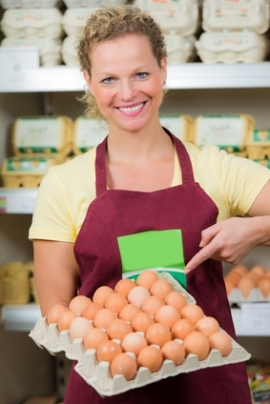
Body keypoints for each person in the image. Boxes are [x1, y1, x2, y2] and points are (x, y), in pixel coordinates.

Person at [29, 5, 270, 404]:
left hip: (206, 387)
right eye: (109, 79)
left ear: (162, 68)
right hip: (106, 387)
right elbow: (57, 315)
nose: (127, 93)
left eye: (141, 73)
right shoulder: (63, 184)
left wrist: (257, 229)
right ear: (88, 81)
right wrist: (130, 336)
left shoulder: (214, 167)